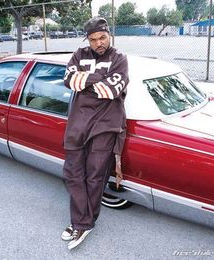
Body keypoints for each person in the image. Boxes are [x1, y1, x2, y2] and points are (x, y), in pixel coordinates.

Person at [62, 17, 129, 250]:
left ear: (109, 34)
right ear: (87, 40)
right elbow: (69, 79)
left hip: (105, 126)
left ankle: (81, 223)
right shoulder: (79, 55)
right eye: (93, 40)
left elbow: (111, 90)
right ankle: (83, 221)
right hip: (77, 126)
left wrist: (86, 81)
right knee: (72, 174)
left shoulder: (119, 59)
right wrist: (98, 79)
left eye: (102, 37)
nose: (98, 43)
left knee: (94, 177)